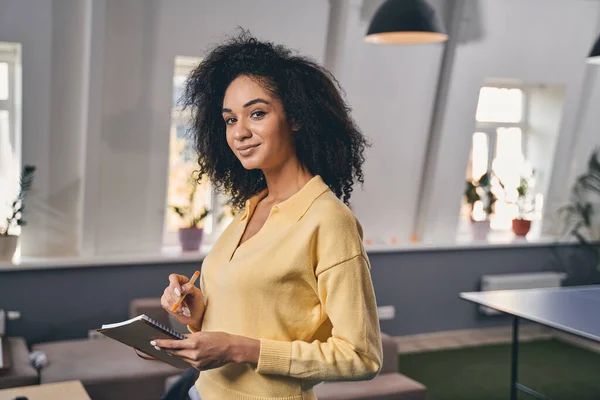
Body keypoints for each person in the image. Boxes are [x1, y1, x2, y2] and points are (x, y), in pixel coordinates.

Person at [155, 30, 383, 400]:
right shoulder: (250, 209)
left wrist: (237, 348)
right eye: (230, 119)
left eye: (257, 113)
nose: (240, 132)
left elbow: (361, 356)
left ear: (294, 117)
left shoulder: (329, 220)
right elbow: (249, 319)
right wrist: (195, 316)